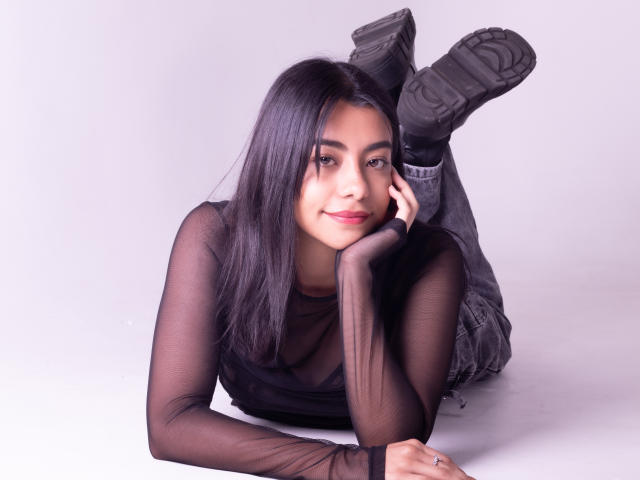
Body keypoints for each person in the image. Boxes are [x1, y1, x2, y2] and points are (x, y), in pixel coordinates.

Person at [146, 8, 535, 480]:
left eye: (377, 162)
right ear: (279, 159)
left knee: (488, 328)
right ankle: (411, 140)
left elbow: (394, 440)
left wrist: (354, 270)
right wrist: (350, 465)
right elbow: (169, 425)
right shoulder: (216, 236)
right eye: (327, 159)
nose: (356, 187)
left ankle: (419, 148)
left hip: (444, 315)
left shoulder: (432, 258)